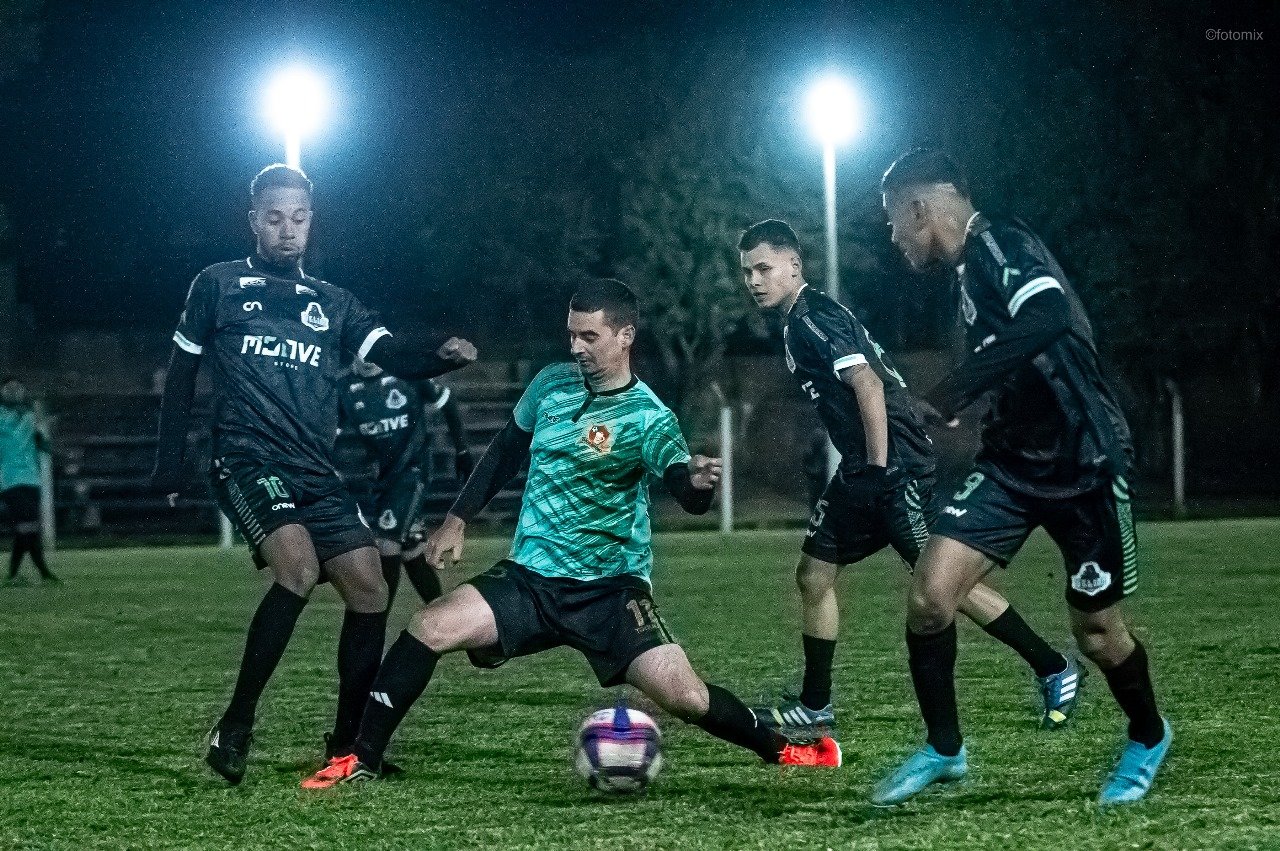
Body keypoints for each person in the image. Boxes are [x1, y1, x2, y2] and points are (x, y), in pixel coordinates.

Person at [302, 279, 841, 788]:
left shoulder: (649, 417)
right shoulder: (550, 384)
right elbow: (505, 453)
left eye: (590, 336)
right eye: (571, 335)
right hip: (530, 579)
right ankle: (361, 757)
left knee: (686, 697)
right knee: (429, 626)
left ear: (625, 336)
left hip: (611, 592)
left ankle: (789, 749)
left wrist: (697, 484)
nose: (577, 347)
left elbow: (683, 486)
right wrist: (457, 518)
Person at [151, 163, 477, 784]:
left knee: (370, 587)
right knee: (297, 568)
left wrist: (439, 355)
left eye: (298, 218)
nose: (286, 230)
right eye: (273, 218)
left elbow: (392, 356)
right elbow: (181, 372)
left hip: (314, 470)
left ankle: (347, 742)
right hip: (248, 460)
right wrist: (170, 461)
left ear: (310, 221)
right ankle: (236, 724)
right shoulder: (218, 285)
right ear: (253, 221)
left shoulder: (333, 304)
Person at [872, 149, 1168, 807]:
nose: (893, 237)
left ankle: (1148, 735)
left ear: (920, 208)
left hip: (1087, 462)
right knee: (930, 594)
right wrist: (976, 405)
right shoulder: (964, 281)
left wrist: (947, 393)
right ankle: (945, 749)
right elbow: (1017, 357)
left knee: (1097, 632)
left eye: (894, 221)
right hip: (1012, 467)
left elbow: (1049, 316)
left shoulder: (1000, 243)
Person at [738, 220, 1077, 735]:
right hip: (866, 465)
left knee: (942, 584)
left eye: (764, 268)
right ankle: (815, 705)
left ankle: (1055, 668)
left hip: (891, 464)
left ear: (793, 266)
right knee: (814, 574)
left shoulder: (813, 319)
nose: (755, 280)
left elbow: (869, 385)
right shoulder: (801, 320)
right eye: (747, 272)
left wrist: (876, 468)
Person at [338, 359, 472, 607]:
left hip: (413, 470)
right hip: (380, 480)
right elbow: (329, 435)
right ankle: (443, 617)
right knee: (412, 552)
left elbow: (447, 401)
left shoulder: (406, 370)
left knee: (386, 543)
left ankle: (374, 625)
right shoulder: (344, 387)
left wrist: (462, 451)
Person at [0, 378, 57, 585]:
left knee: (27, 528)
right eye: (9, 388)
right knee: (28, 526)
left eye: (18, 388)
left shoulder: (30, 417)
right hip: (10, 480)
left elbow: (45, 447)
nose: (14, 391)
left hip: (32, 479)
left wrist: (43, 433)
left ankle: (15, 576)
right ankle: (43, 573)